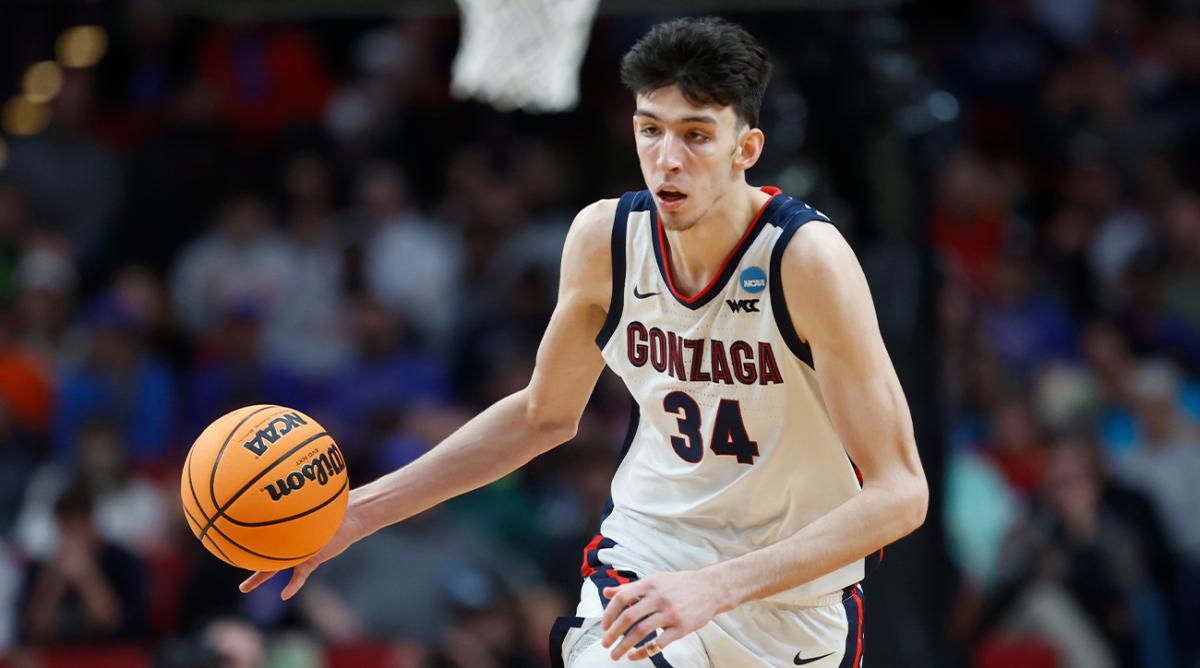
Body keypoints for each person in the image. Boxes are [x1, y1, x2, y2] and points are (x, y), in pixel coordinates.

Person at [240, 17, 927, 667]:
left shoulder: (805, 261)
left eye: (696, 135)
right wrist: (359, 511)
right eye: (651, 130)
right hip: (648, 563)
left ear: (745, 148)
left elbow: (901, 492)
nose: (668, 159)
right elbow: (542, 414)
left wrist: (719, 585)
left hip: (787, 598)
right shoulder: (606, 241)